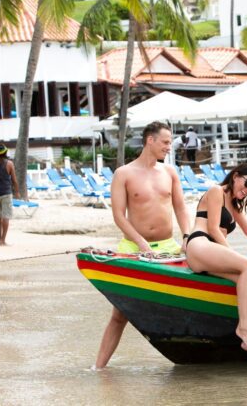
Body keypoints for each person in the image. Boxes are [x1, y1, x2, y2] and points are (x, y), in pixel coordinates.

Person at [94, 121, 191, 369]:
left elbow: (180, 208)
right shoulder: (123, 173)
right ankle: (99, 368)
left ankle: (190, 356)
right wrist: (141, 242)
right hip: (133, 248)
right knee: (120, 314)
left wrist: (187, 236)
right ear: (150, 140)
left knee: (180, 299)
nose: (169, 147)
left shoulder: (169, 172)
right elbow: (118, 215)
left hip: (168, 247)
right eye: (165, 142)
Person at [184, 163, 247, 370]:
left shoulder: (234, 205)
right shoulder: (216, 191)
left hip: (212, 254)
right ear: (235, 176)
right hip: (200, 244)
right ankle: (243, 327)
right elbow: (213, 229)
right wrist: (237, 257)